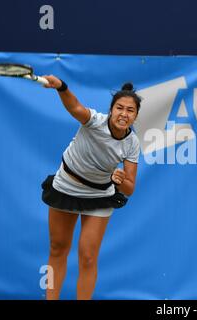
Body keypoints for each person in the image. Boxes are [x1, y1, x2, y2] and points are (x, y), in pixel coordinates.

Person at [40, 75, 141, 300]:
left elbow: (130, 188)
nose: (124, 114)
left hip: (99, 195)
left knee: (87, 257)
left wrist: (121, 180)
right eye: (119, 108)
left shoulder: (132, 143)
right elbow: (74, 106)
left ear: (135, 115)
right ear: (111, 109)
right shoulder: (94, 121)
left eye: (130, 110)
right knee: (57, 248)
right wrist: (62, 87)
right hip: (66, 186)